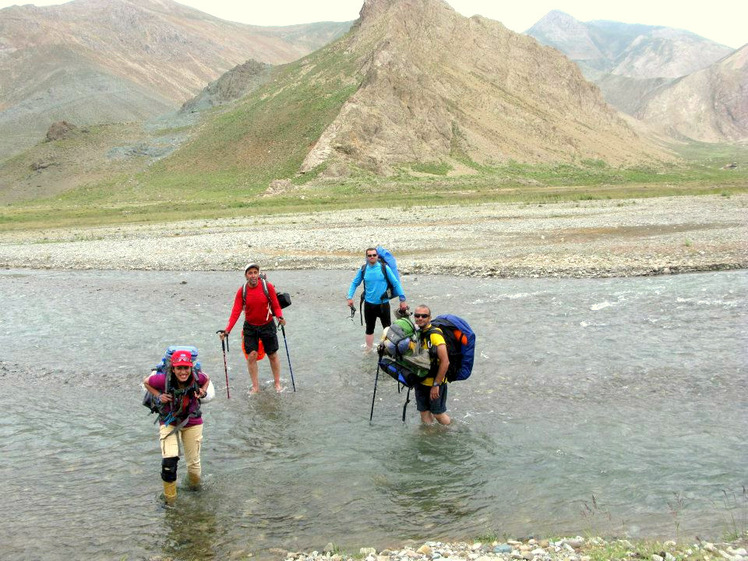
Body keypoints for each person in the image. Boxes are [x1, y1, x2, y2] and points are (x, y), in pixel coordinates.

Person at [142, 348, 211, 505]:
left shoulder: (196, 377)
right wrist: (158, 395)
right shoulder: (162, 380)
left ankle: (193, 490)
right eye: (179, 368)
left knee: (194, 469)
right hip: (168, 421)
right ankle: (170, 502)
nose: (183, 372)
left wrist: (203, 391)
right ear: (173, 368)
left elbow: (207, 379)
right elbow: (146, 382)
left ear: (190, 367)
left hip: (192, 421)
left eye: (186, 367)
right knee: (169, 463)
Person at [220, 263, 286, 394]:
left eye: (255, 272)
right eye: (250, 273)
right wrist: (227, 330)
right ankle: (255, 387)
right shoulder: (242, 291)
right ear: (246, 276)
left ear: (258, 274)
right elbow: (236, 311)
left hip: (267, 325)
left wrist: (280, 317)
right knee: (251, 356)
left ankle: (277, 383)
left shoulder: (268, 287)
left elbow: (276, 306)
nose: (253, 275)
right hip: (250, 327)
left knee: (272, 355)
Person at [346, 248, 408, 352]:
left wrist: (402, 299)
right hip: (369, 305)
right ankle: (368, 350)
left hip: (383, 305)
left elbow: (396, 283)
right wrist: (349, 297)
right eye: (369, 255)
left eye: (374, 255)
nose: (372, 257)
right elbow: (354, 283)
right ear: (366, 257)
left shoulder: (384, 268)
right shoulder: (363, 269)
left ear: (377, 256)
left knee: (387, 328)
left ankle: (389, 350)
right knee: (369, 329)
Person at [413, 305, 451, 425]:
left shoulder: (435, 336)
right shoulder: (417, 333)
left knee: (438, 414)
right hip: (420, 381)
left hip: (435, 383)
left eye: (424, 316)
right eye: (417, 315)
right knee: (423, 412)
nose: (420, 318)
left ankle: (450, 430)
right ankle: (429, 436)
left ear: (429, 318)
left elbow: (445, 361)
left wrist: (436, 385)